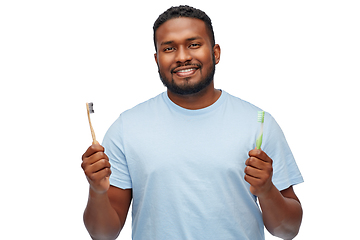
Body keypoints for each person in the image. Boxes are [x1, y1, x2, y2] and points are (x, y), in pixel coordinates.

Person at [81, 5, 303, 240]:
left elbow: (288, 230)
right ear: (157, 59)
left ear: (215, 53)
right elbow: (103, 234)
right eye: (169, 48)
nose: (183, 56)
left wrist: (268, 191)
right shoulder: (126, 128)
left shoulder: (258, 125)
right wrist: (96, 191)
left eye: (194, 44)